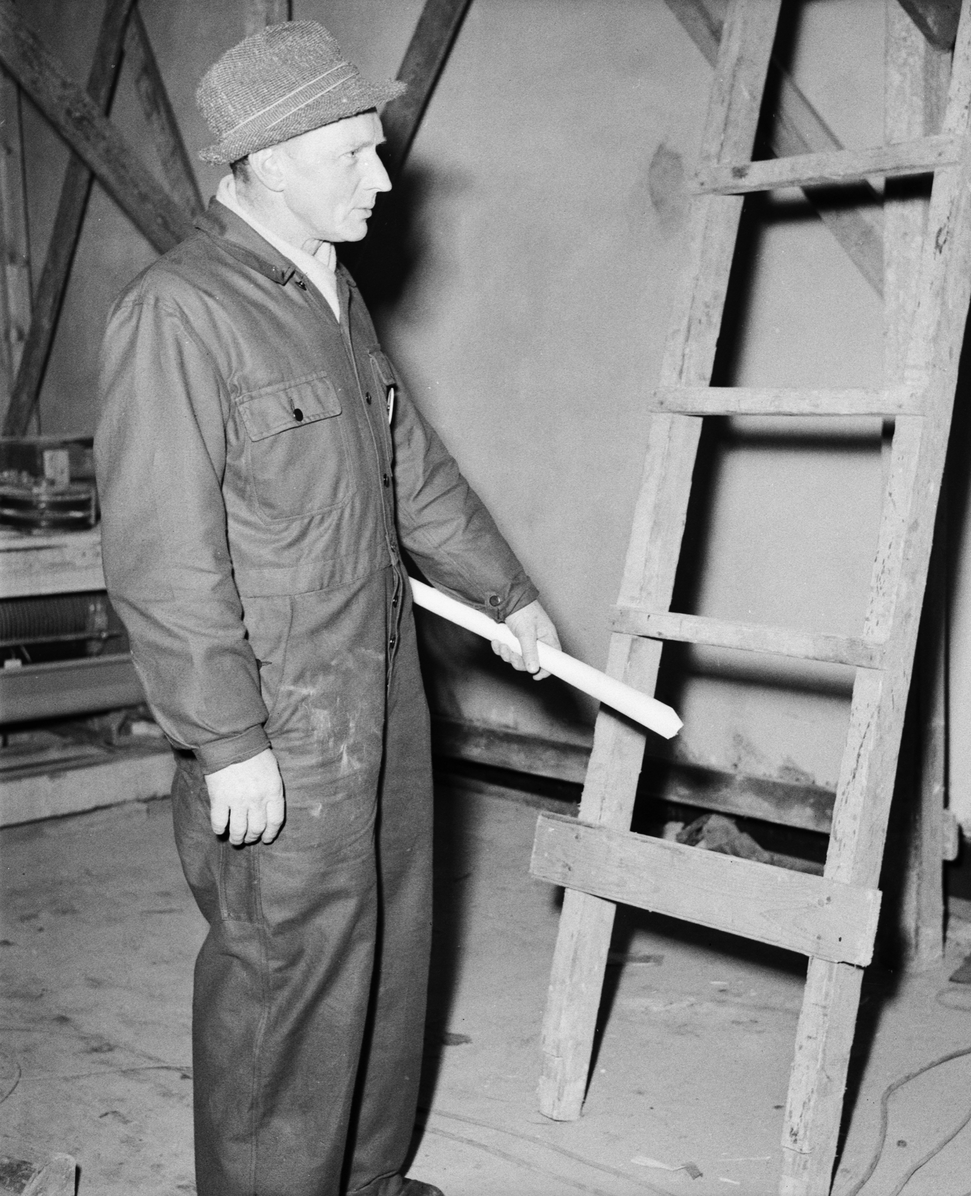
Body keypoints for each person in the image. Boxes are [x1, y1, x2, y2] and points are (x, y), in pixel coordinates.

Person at [95, 21, 559, 1196]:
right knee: (288, 978)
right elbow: (161, 556)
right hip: (284, 714)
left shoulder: (326, 291)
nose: (383, 176)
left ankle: (362, 1179)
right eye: (352, 151)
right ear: (262, 159)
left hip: (379, 688)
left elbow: (412, 467)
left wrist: (507, 594)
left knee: (390, 947)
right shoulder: (179, 313)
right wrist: (226, 739)